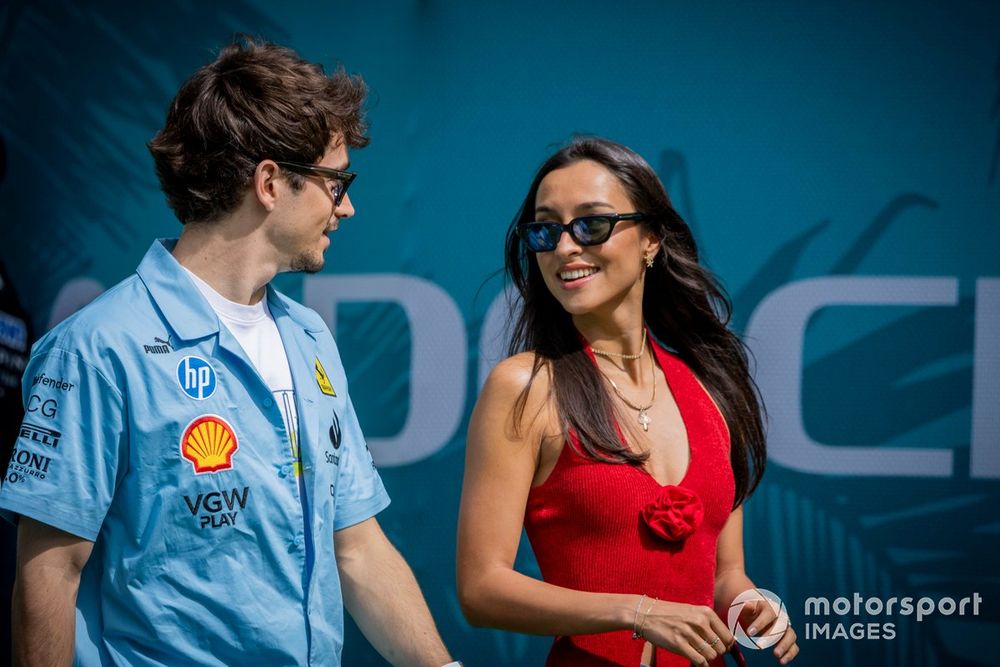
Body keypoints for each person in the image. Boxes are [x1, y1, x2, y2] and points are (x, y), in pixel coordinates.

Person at [0, 37, 456, 666]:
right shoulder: (97, 349)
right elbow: (49, 574)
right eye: (336, 181)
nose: (347, 206)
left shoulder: (309, 337)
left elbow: (355, 544)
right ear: (270, 182)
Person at [457, 137, 799, 666]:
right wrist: (636, 612)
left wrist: (750, 605)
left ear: (651, 240)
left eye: (592, 225)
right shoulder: (525, 386)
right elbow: (481, 590)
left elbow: (725, 574)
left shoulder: (711, 387)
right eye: (546, 230)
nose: (566, 247)